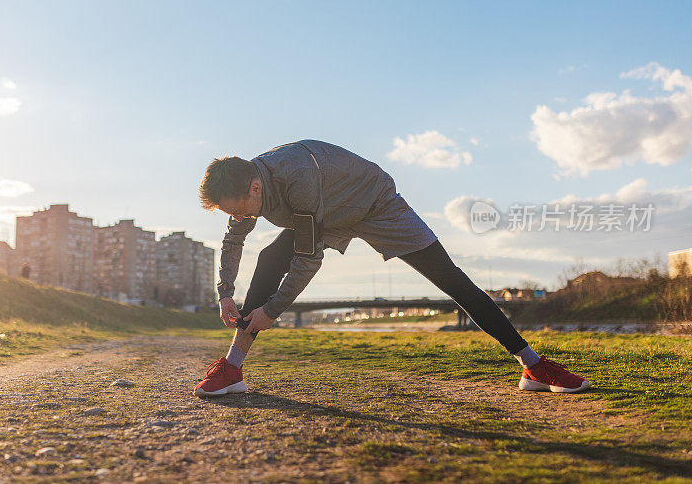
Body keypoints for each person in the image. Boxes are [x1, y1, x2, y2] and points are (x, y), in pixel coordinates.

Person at [194, 140, 591, 397]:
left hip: (375, 204)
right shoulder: (246, 188)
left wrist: (274, 310)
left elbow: (308, 259)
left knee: (452, 280)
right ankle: (232, 369)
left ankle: (533, 366)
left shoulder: (295, 178)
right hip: (325, 213)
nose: (239, 218)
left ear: (254, 189)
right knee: (268, 259)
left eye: (238, 209)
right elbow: (234, 241)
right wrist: (225, 293)